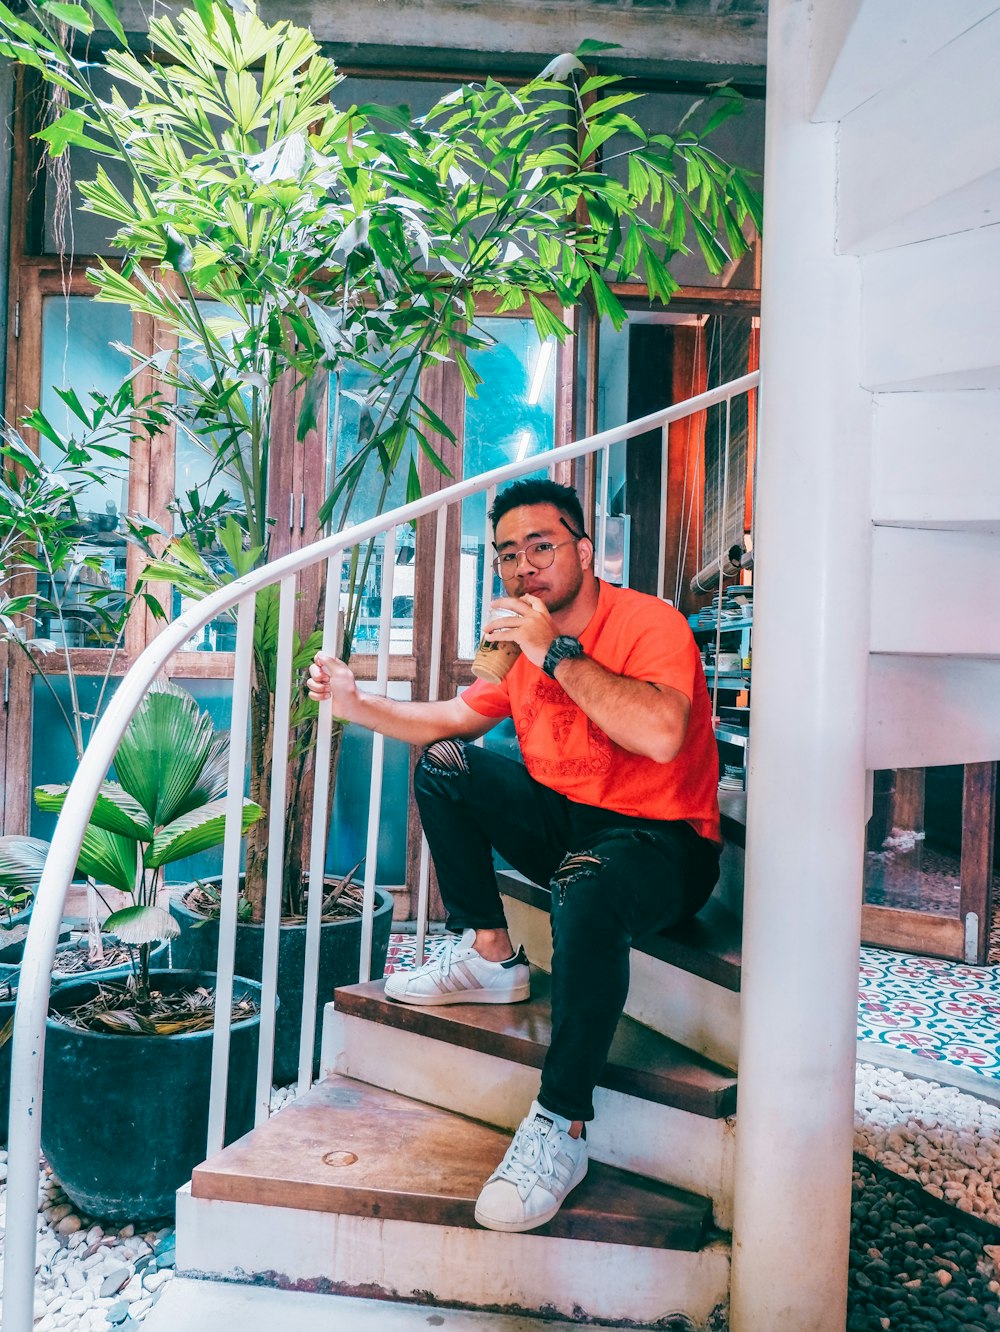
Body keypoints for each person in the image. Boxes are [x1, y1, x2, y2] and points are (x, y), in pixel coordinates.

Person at [306, 478, 721, 1234]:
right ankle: (493, 958)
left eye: (542, 547)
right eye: (507, 554)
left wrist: (552, 652)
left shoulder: (648, 623)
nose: (524, 567)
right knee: (446, 763)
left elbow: (661, 733)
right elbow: (458, 718)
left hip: (665, 842)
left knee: (588, 885)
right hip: (571, 818)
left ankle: (561, 1126)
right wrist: (355, 703)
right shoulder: (515, 646)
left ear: (584, 551)